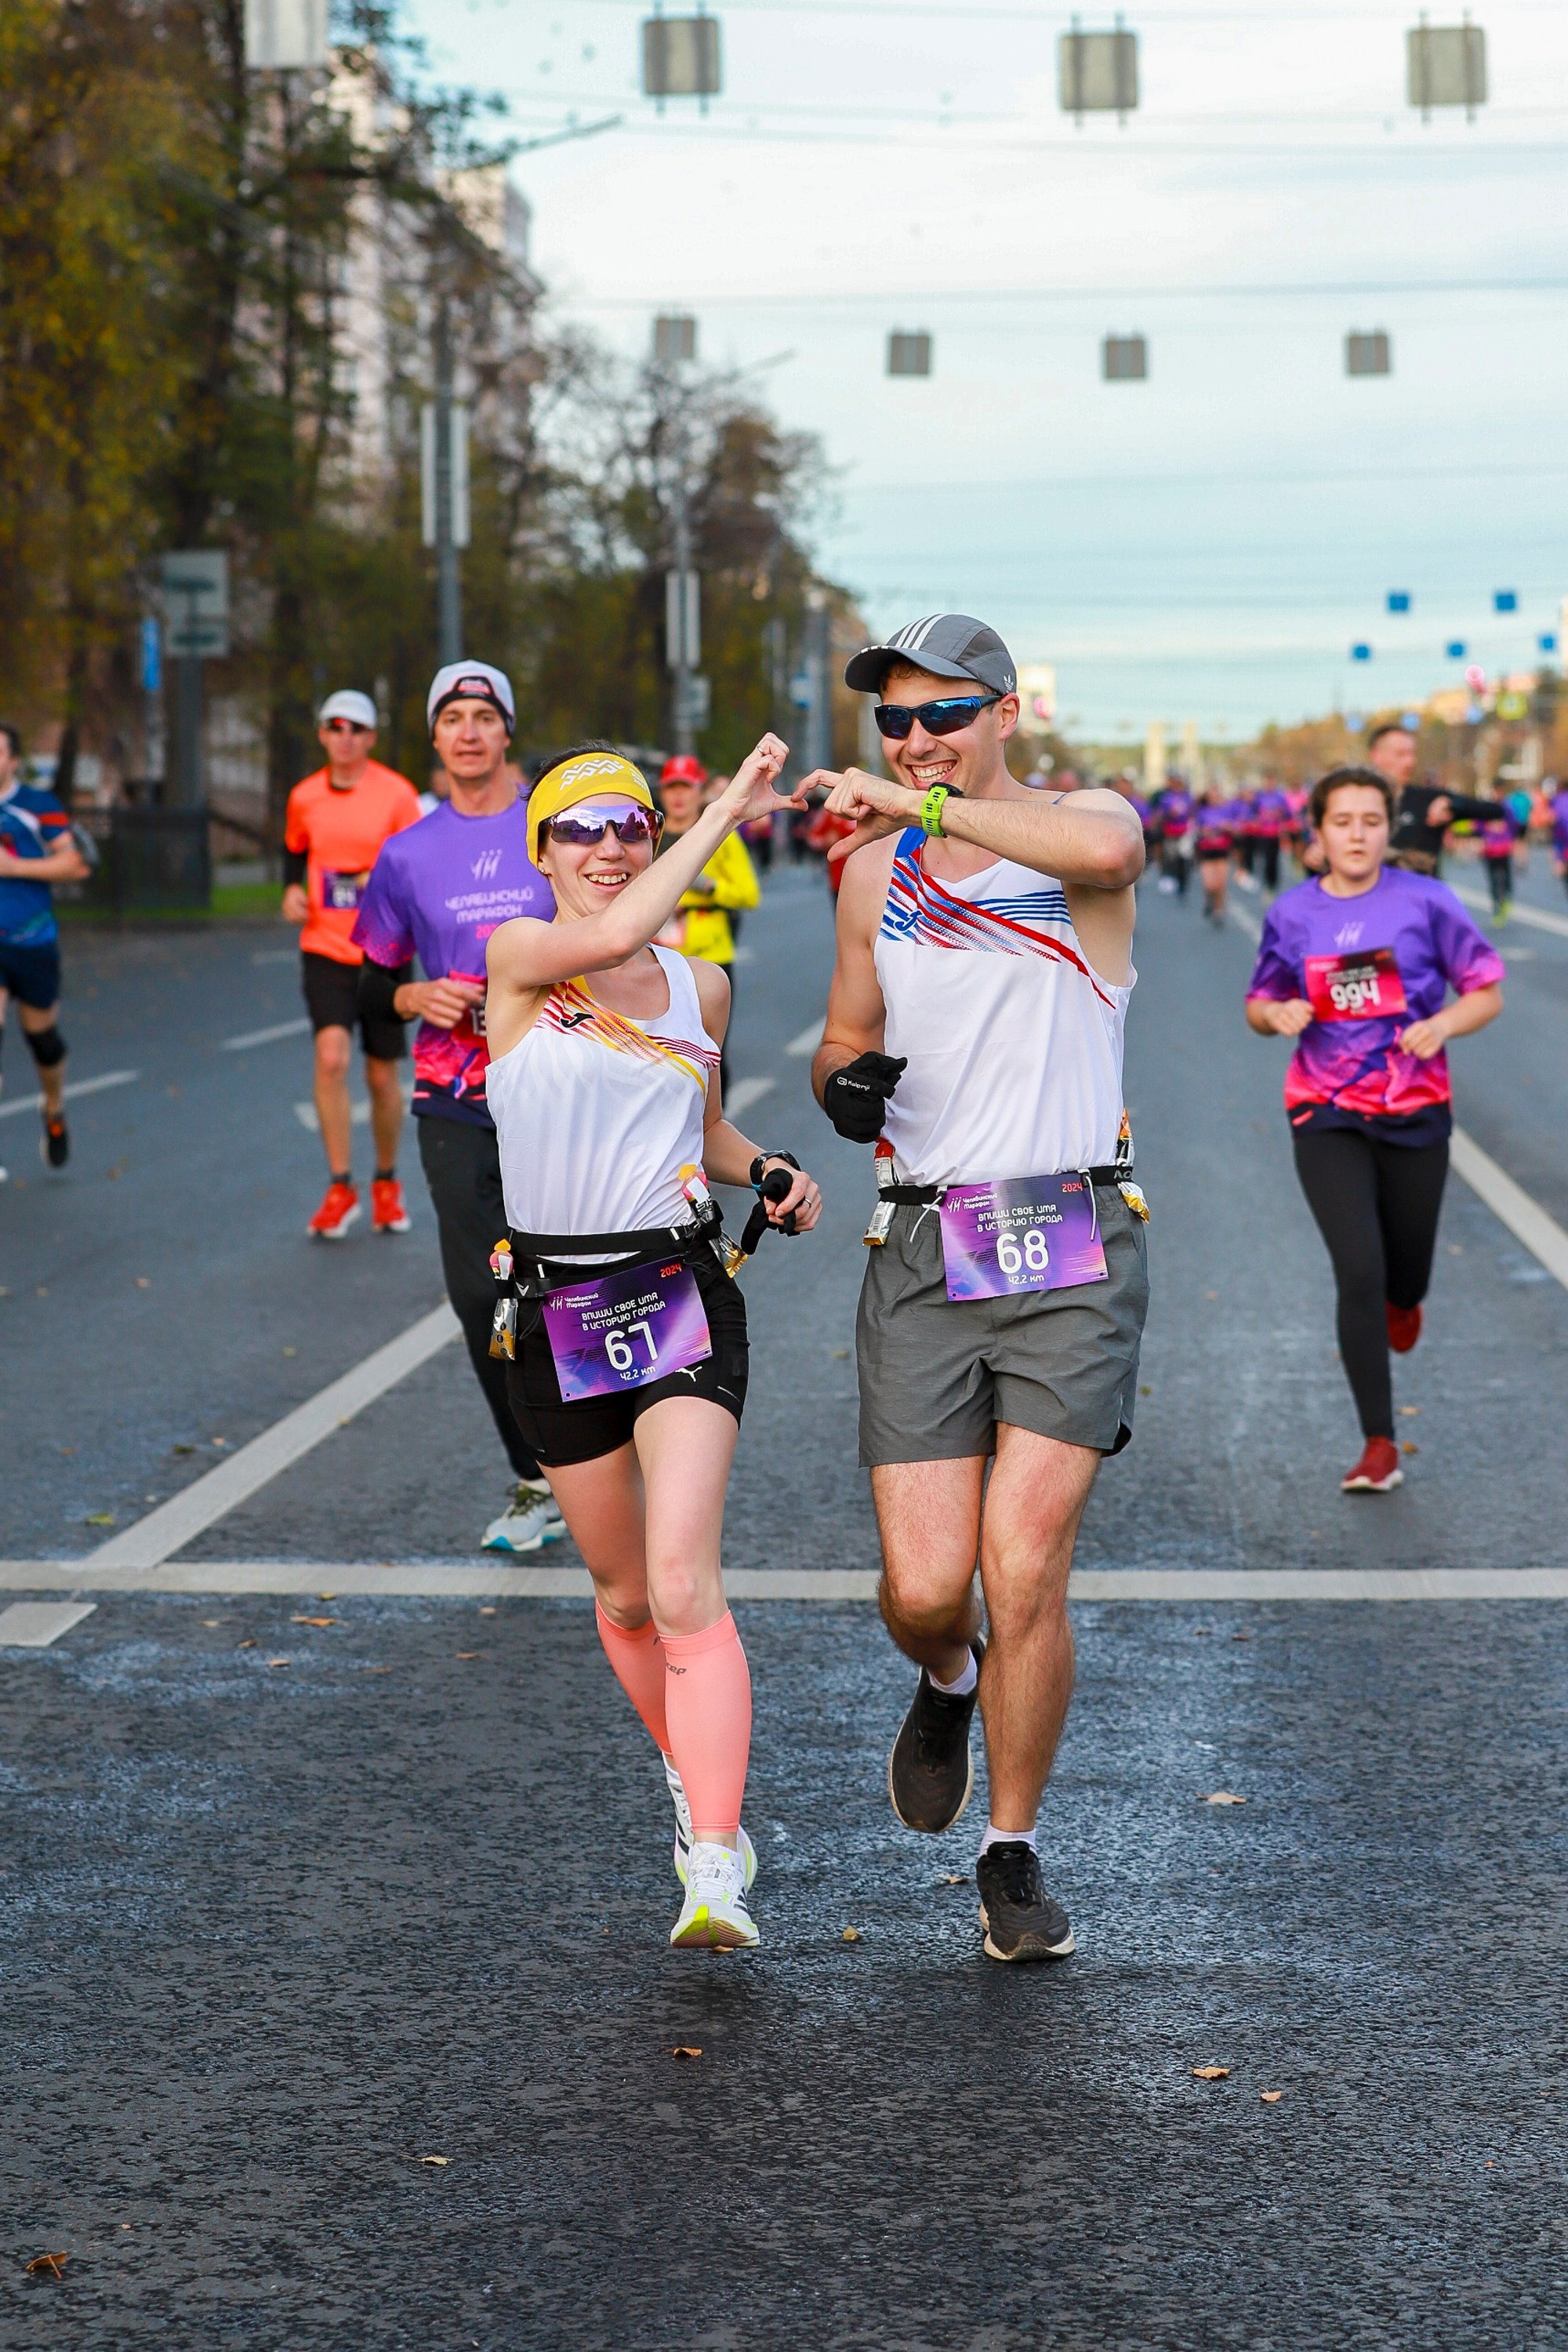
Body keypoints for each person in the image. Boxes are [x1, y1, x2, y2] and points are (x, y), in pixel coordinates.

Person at [807, 612, 1149, 1965]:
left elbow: (1110, 852)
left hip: (1069, 1237)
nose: (916, 740)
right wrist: (845, 1085)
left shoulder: (1086, 835)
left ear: (1006, 713)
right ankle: (947, 1678)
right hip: (922, 1248)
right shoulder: (870, 878)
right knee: (925, 1589)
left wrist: (919, 804)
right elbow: (846, 1030)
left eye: (943, 713)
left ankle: (1010, 1851)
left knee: (1023, 1565)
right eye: (893, 722)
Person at [484, 737, 821, 1949]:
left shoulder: (701, 987)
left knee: (681, 1580)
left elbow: (703, 1126)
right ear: (541, 853)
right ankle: (693, 1775)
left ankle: (715, 1863)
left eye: (630, 824)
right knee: (624, 1596)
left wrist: (766, 1167)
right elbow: (620, 930)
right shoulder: (520, 961)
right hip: (556, 1308)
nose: (609, 845)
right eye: (580, 828)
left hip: (676, 1288)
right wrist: (726, 808)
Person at [353, 662, 565, 1556]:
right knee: (483, 1294)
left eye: (484, 715)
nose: (469, 732)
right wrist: (414, 996)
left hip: (562, 1087)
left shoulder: (557, 826)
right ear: (435, 737)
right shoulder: (407, 853)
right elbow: (370, 986)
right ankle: (537, 1476)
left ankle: (608, 1458)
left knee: (580, 1279)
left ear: (507, 729)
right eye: (452, 718)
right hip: (455, 1096)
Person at [1245, 765, 1504, 1494]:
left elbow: (1486, 991)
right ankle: (1378, 1444)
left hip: (1415, 1107)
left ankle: (1405, 1299)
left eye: (1371, 821)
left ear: (1390, 829)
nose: (1357, 835)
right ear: (1318, 833)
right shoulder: (1293, 913)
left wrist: (1442, 1025)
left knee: (1404, 1271)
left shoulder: (1428, 901)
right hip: (1325, 1110)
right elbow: (1259, 1003)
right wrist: (1278, 1014)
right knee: (1358, 1269)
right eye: (1342, 822)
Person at [282, 691, 422, 1240]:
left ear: (371, 737)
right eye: (335, 726)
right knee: (330, 1057)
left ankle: (386, 1180)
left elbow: (417, 862)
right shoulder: (304, 796)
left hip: (383, 949)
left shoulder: (397, 794)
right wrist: (291, 889)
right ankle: (341, 1186)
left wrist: (379, 880)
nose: (345, 737)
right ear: (322, 733)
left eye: (356, 728)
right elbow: (294, 849)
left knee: (381, 1074)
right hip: (324, 946)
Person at [0, 724, 89, 1179]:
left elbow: (75, 864)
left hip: (32, 942)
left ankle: (53, 1107)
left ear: (14, 761)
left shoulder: (37, 806)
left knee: (44, 1044)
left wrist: (14, 867)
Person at [654, 752, 760, 1091]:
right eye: (671, 787)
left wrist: (708, 887)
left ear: (700, 791)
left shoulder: (718, 835)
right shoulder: (646, 836)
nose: (678, 796)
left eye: (686, 787)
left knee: (710, 1055)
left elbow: (749, 894)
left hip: (709, 957)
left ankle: (714, 1119)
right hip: (654, 958)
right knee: (656, 1056)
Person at [1370, 723, 1493, 877]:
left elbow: (1495, 810)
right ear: (1376, 756)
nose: (1410, 762)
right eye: (1400, 754)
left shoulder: (1429, 799)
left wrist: (1452, 805)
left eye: (1412, 754)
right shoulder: (1357, 803)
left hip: (1423, 889)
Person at [1194, 787, 1236, 926]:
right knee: (1210, 885)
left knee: (1220, 885)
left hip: (1222, 851)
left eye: (1216, 796)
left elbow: (1235, 829)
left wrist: (1226, 827)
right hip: (1207, 851)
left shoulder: (1226, 811)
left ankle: (1218, 911)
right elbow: (1197, 829)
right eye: (1211, 796)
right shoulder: (1202, 812)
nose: (1214, 799)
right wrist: (1206, 832)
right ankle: (1209, 899)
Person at [1477, 798, 1519, 919]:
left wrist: (1511, 839)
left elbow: (1513, 825)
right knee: (1493, 879)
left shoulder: (1506, 808)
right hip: (1490, 849)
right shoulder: (1486, 809)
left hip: (1503, 848)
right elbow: (1479, 826)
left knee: (1505, 876)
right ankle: (1497, 905)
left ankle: (1506, 898)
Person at [1154, 772, 1193, 895]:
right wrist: (1169, 814)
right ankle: (1172, 878)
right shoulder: (1166, 797)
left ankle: (1183, 882)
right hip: (1170, 831)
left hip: (1184, 831)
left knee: (1184, 857)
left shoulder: (1188, 797)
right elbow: (1160, 814)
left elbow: (1193, 812)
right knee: (1171, 857)